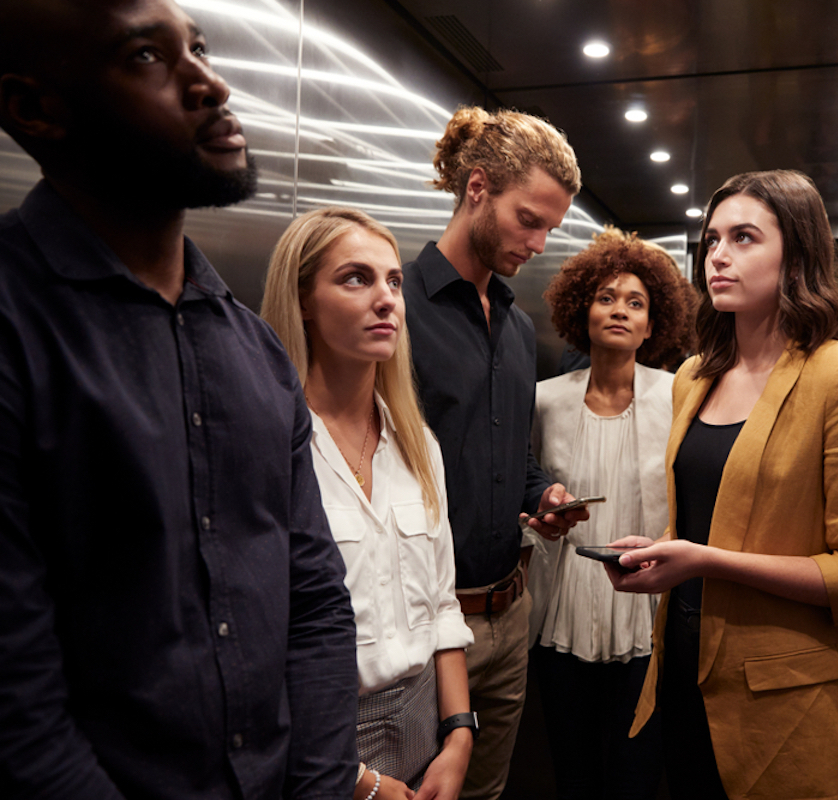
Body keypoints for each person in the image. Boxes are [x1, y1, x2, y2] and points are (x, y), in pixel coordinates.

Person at [0, 1, 359, 798]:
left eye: (198, 48)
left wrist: (321, 786)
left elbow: (314, 597)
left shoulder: (253, 349)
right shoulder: (17, 325)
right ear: (35, 108)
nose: (211, 84)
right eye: (145, 58)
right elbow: (16, 703)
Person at [608, 170, 838, 800]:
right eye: (712, 239)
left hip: (787, 706)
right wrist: (660, 550)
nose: (718, 255)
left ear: (796, 254)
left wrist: (704, 562)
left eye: (744, 237)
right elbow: (714, 518)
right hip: (683, 677)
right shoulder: (695, 375)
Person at [402, 105, 588, 800]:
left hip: (508, 616)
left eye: (551, 227)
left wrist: (541, 493)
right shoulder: (398, 310)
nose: (540, 243)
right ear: (477, 188)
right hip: (422, 625)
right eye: (528, 220)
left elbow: (510, 449)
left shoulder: (514, 325)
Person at [262, 207, 477, 800]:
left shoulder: (416, 444)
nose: (386, 299)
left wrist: (459, 736)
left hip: (423, 721)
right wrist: (357, 781)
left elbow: (440, 604)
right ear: (303, 299)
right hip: (317, 741)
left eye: (394, 281)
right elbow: (260, 637)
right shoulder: (271, 445)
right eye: (356, 278)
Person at [527, 226, 697, 800]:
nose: (619, 311)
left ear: (654, 324)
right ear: (583, 310)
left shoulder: (677, 396)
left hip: (643, 595)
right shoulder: (544, 399)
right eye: (606, 298)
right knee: (570, 767)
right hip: (562, 598)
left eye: (635, 302)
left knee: (636, 769)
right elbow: (528, 490)